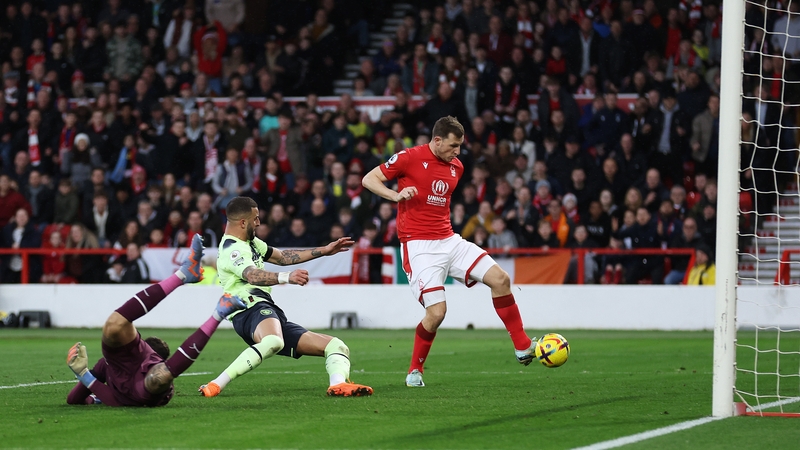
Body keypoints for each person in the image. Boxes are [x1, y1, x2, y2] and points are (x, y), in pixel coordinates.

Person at [361, 116, 537, 388]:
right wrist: (394, 196)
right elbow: (369, 179)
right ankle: (414, 371)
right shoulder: (408, 157)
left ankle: (523, 346)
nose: (457, 152)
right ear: (437, 140)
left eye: (460, 146)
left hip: (449, 239)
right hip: (419, 245)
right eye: (454, 145)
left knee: (500, 280)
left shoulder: (457, 167)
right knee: (437, 314)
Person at [198, 196, 373, 398]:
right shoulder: (233, 249)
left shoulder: (251, 243)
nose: (259, 223)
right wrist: (286, 277)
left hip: (266, 310)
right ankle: (215, 385)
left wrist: (324, 251)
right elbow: (252, 275)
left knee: (336, 346)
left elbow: (282, 257)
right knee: (274, 340)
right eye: (255, 219)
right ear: (243, 222)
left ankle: (338, 384)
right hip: (248, 309)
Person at [65, 235, 247, 406]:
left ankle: (185, 276)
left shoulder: (142, 366)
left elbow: (116, 401)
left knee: (153, 373)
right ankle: (216, 308)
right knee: (115, 328)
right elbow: (73, 399)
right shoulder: (106, 365)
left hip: (142, 388)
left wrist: (83, 374)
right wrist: (93, 398)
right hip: (138, 380)